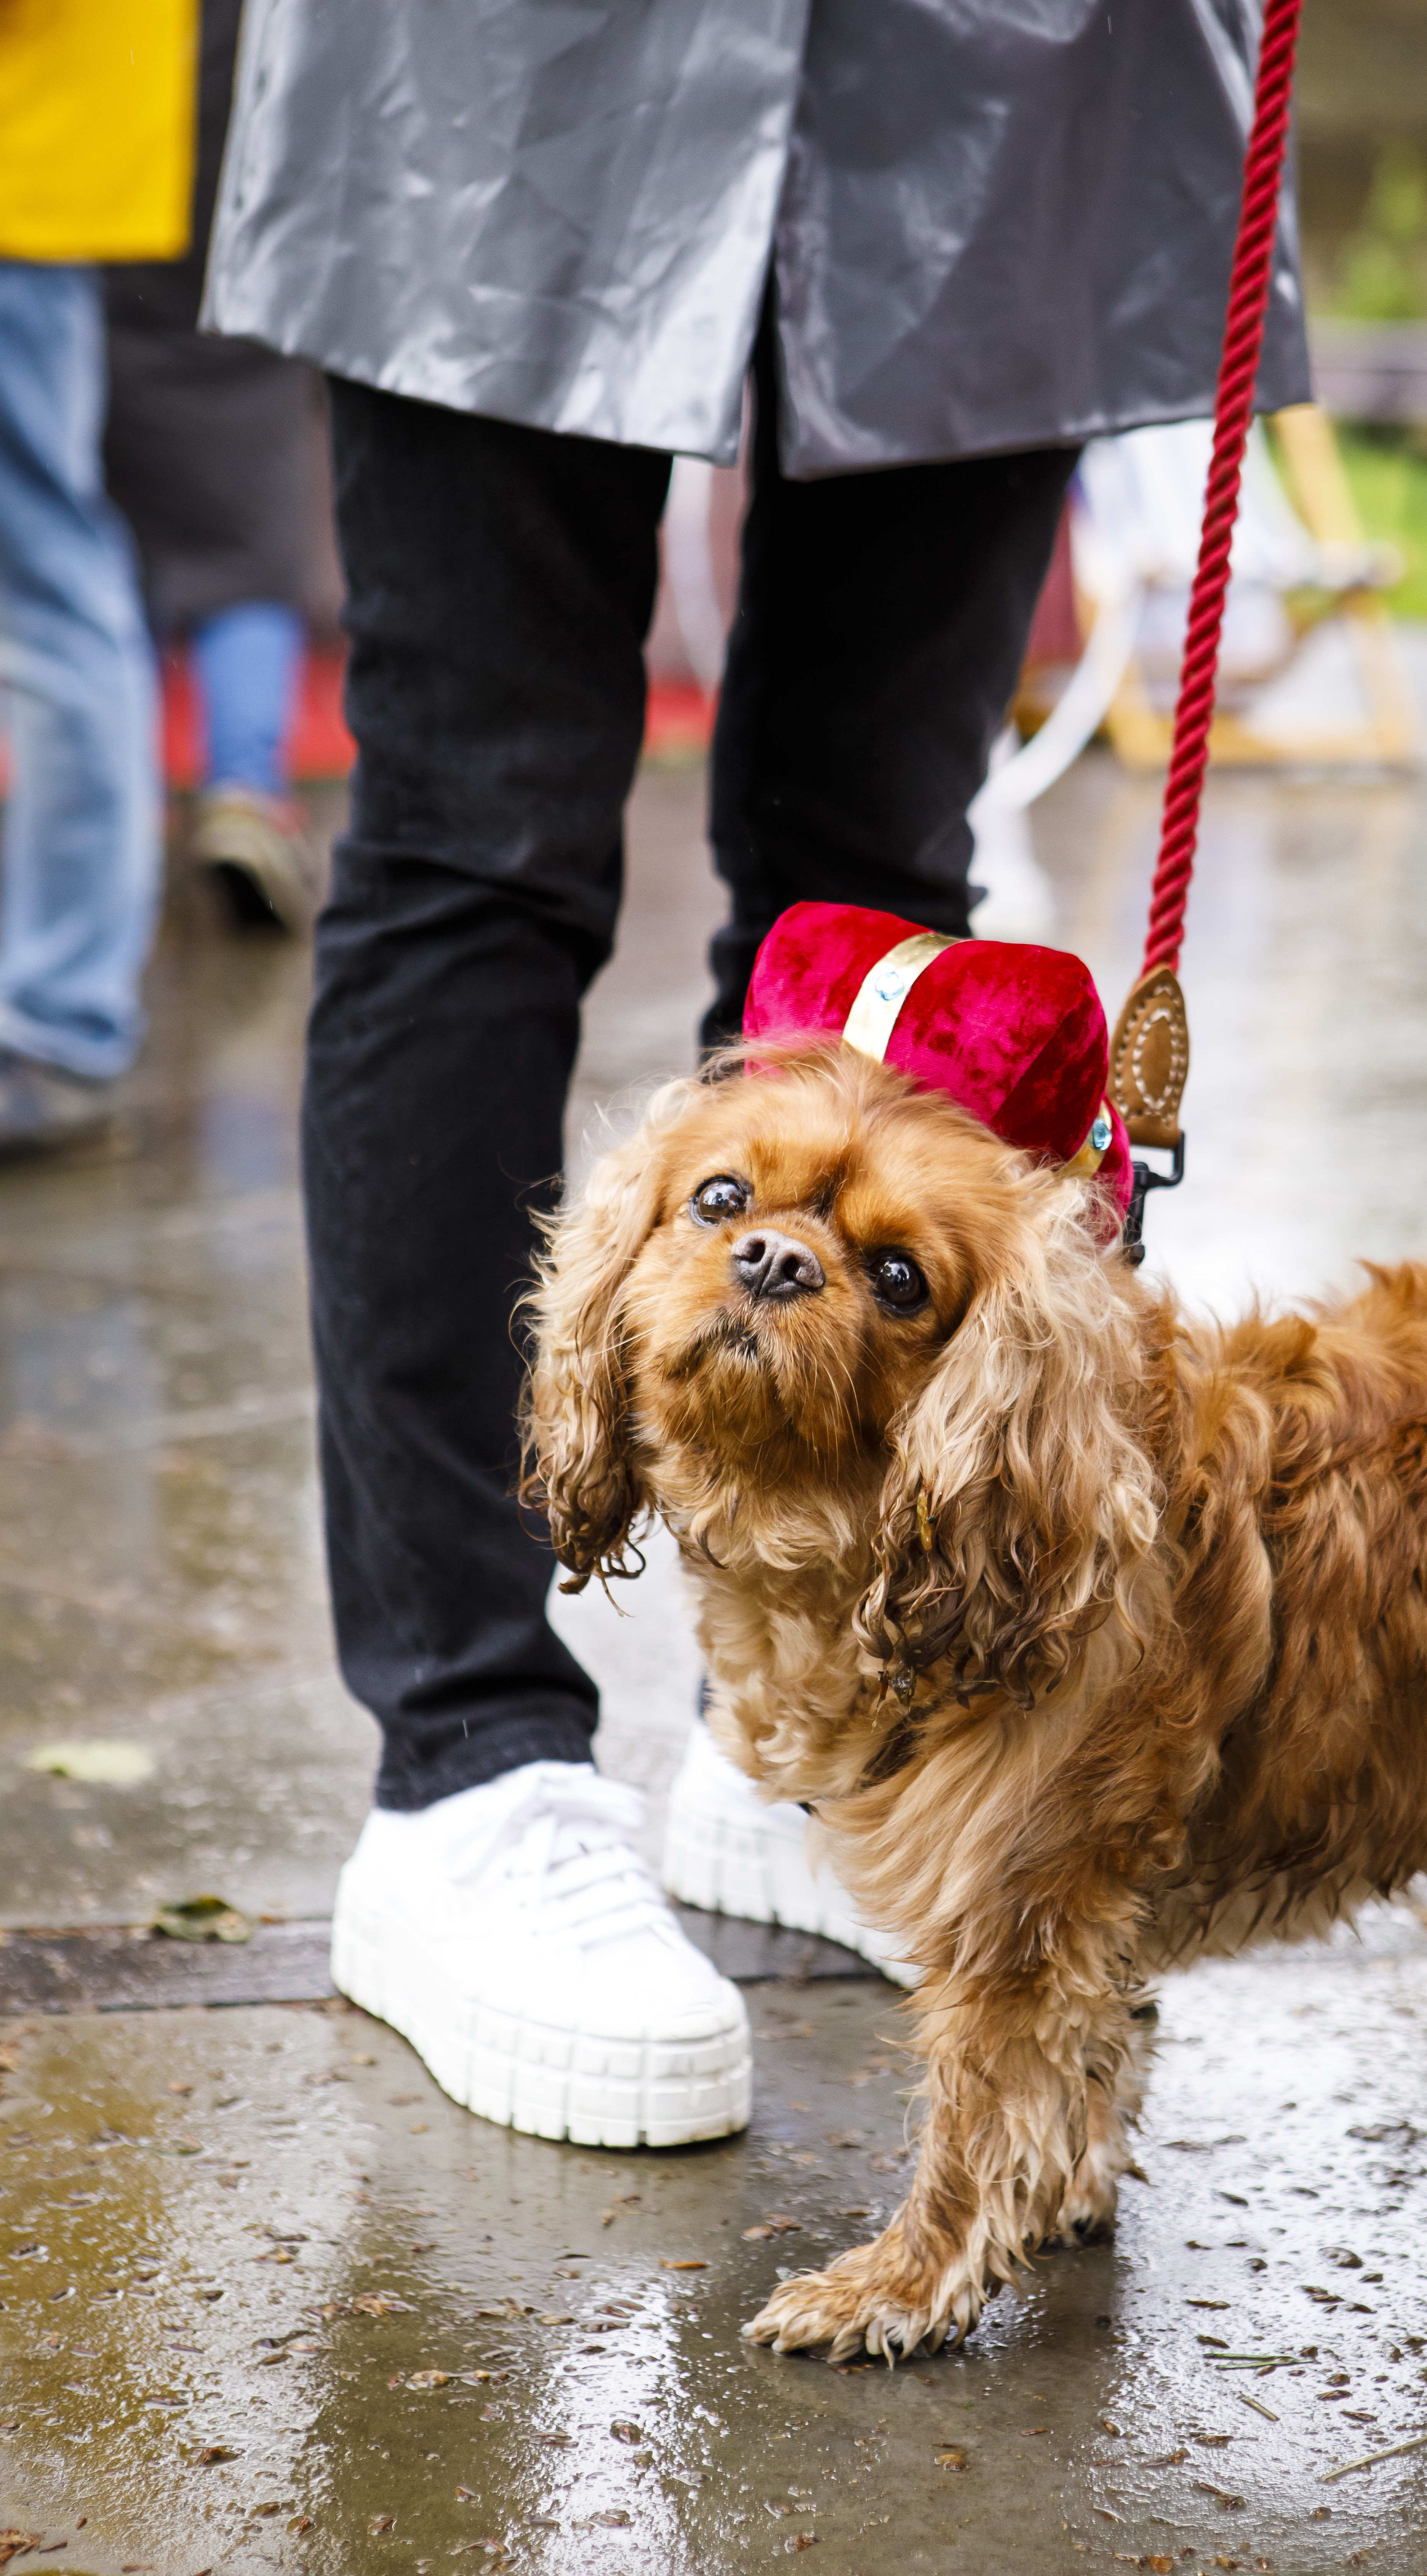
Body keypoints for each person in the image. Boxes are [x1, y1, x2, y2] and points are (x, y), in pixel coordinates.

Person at [205, 0, 1310, 2147]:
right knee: (475, 836)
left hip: (1001, 55)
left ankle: (808, 1699)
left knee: (879, 875)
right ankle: (471, 1758)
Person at [0, 0, 194, 1157]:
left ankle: (60, 1020)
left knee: (47, 596)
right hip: (38, 150)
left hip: (27, 146)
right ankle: (59, 1014)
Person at [105, 0, 326, 938]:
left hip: (111, 279)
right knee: (251, 562)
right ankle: (242, 788)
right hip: (246, 292)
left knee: (105, 561)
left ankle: (114, 812)